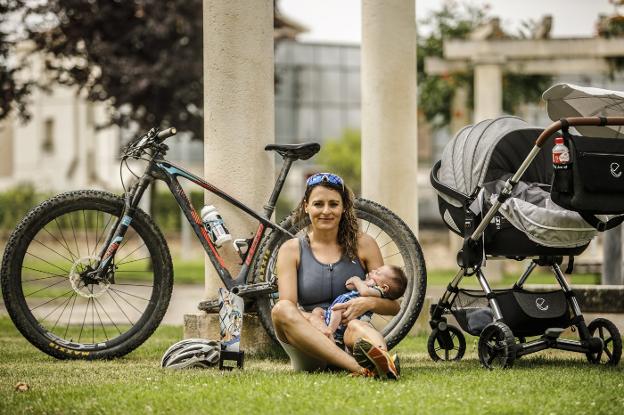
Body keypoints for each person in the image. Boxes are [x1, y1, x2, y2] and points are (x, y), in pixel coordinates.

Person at [271, 172, 401, 379]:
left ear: (344, 207)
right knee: (280, 308)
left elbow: (394, 306)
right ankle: (360, 368)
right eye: (318, 204)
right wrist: (313, 320)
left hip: (349, 336)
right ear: (306, 206)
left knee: (358, 326)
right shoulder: (291, 249)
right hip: (310, 344)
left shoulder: (365, 245)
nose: (326, 211)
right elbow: (289, 308)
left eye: (333, 204)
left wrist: (368, 304)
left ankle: (384, 363)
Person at [313, 265, 408, 346]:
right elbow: (348, 286)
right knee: (317, 310)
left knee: (337, 307)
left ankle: (330, 331)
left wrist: (356, 279)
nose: (373, 270)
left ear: (384, 287)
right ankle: (325, 330)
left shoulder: (379, 291)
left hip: (345, 313)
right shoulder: (370, 286)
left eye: (377, 273)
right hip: (334, 313)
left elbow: (364, 292)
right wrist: (362, 282)